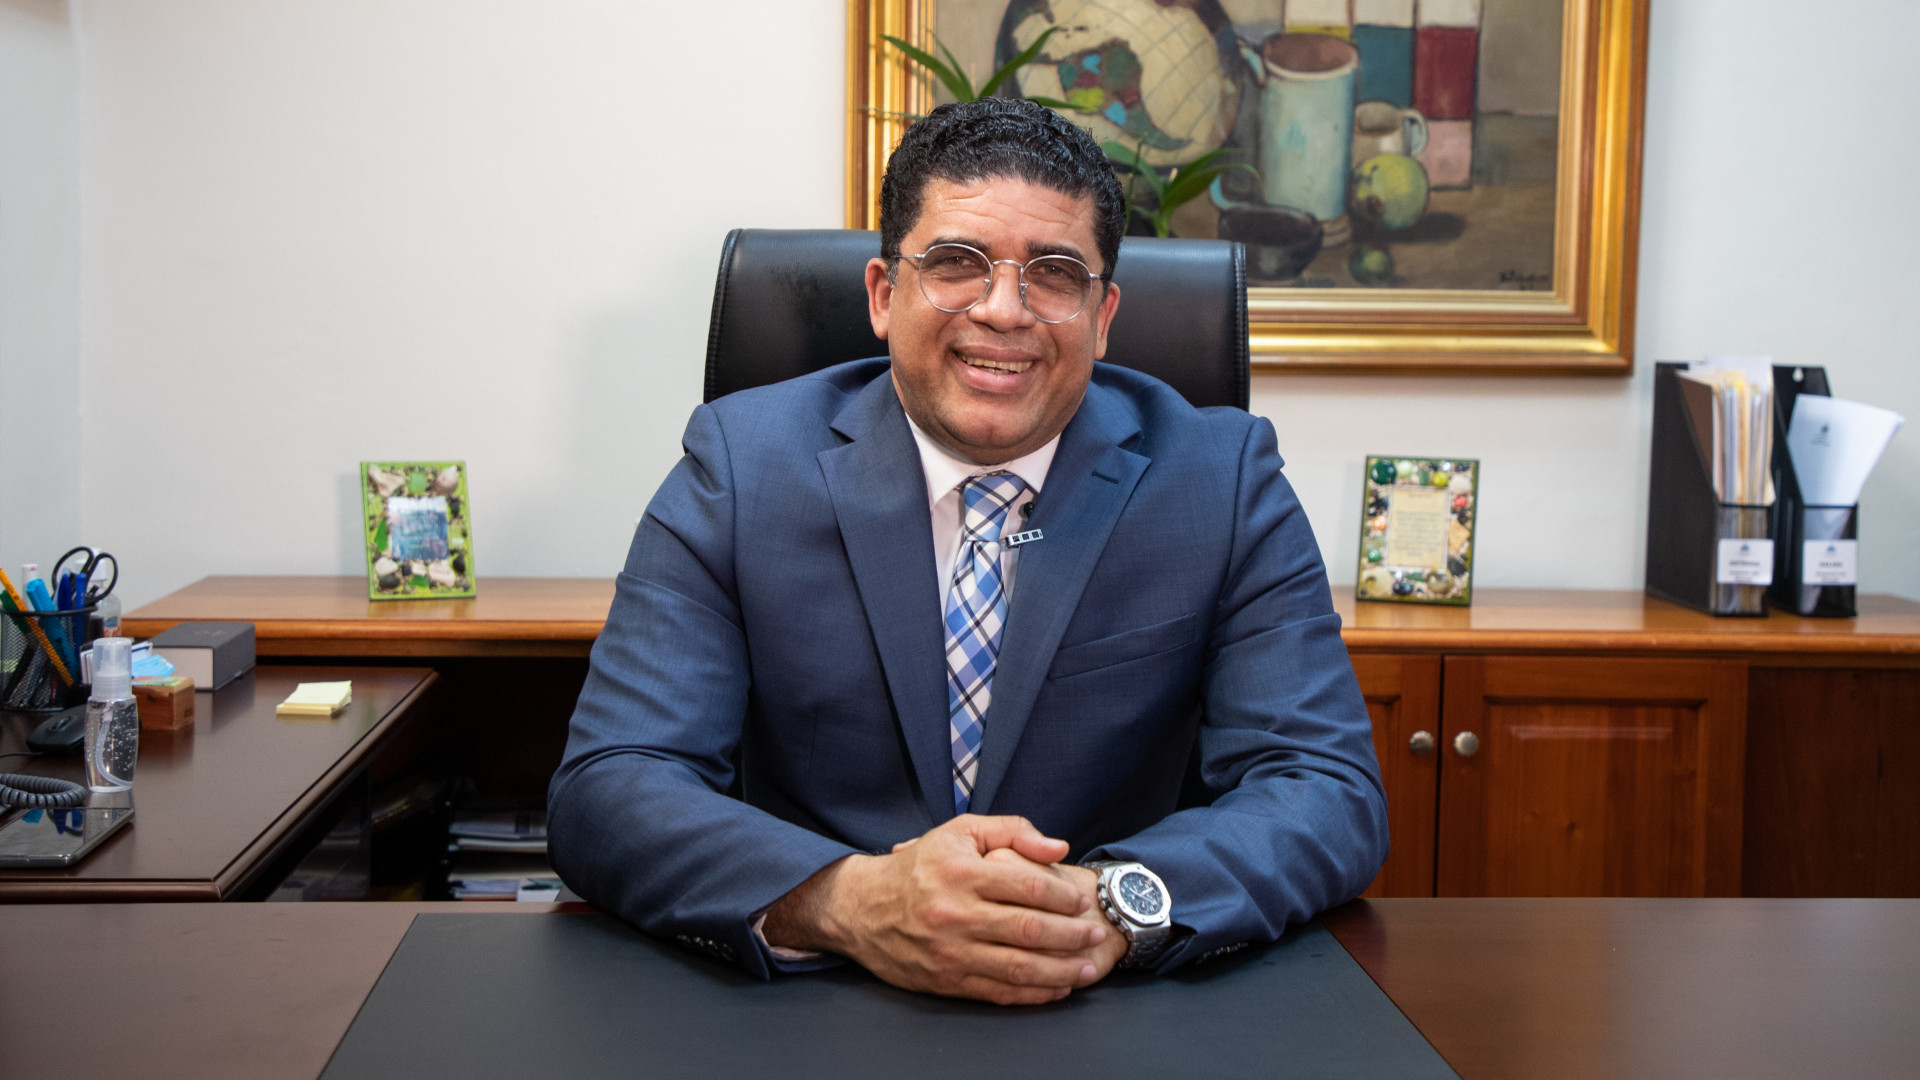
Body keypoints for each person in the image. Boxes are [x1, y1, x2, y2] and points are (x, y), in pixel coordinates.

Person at [548, 97, 1386, 1006]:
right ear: (883, 295)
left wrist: (1105, 904)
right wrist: (855, 901)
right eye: (956, 264)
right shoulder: (741, 469)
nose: (1003, 310)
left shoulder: (1222, 482)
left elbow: (1326, 786)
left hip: (1106, 1001)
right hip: (819, 1000)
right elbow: (613, 784)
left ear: (1103, 315)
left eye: (1055, 275)